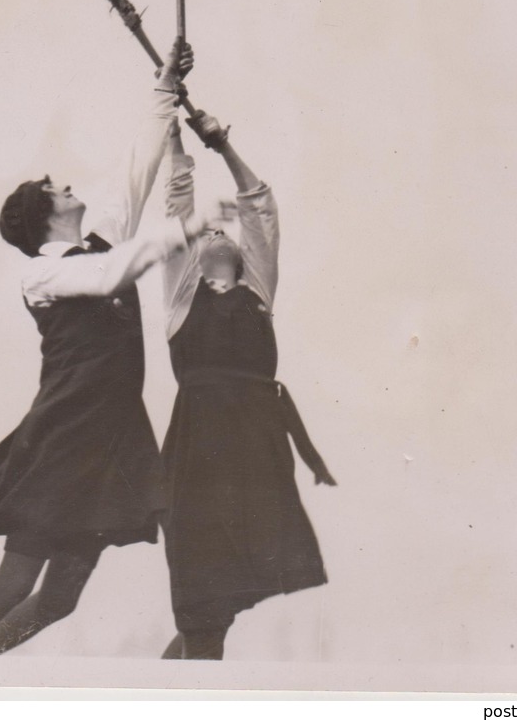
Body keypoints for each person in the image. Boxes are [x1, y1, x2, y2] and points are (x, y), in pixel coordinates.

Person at [0, 39, 208, 656]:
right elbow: (111, 276)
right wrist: (183, 227)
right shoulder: (44, 274)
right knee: (14, 580)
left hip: (111, 432)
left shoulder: (98, 242)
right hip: (64, 433)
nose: (68, 187)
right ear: (44, 217)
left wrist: (165, 88)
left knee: (61, 599)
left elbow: (138, 170)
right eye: (56, 189)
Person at [159, 109, 337, 661]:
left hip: (256, 446)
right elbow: (176, 208)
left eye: (224, 231)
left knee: (222, 599)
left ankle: (180, 685)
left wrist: (221, 147)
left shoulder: (258, 293)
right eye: (207, 232)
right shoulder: (180, 298)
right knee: (202, 596)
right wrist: (172, 135)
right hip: (198, 448)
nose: (217, 232)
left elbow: (259, 205)